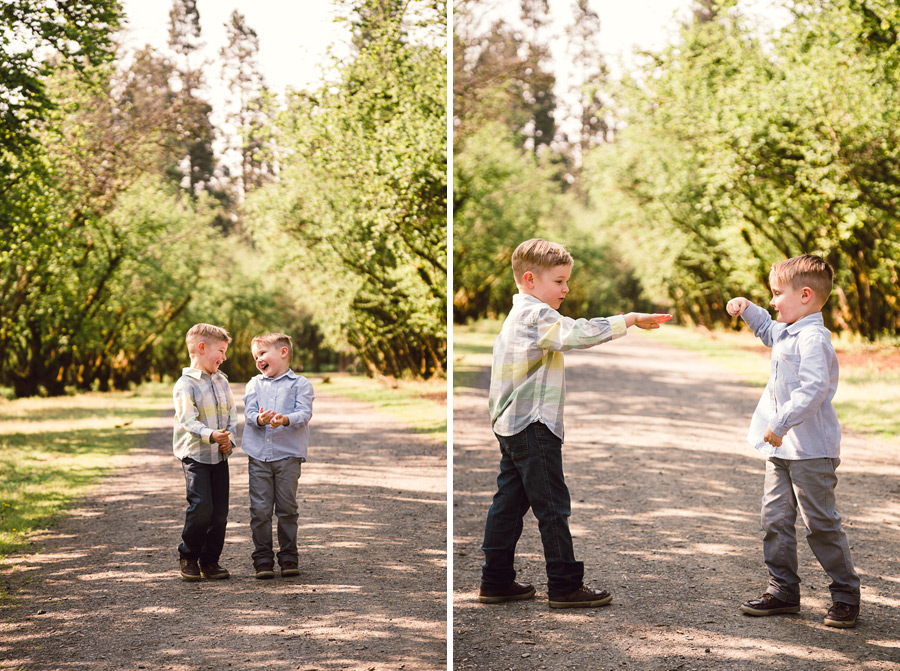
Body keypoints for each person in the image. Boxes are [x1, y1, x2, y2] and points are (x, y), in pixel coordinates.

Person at [479, 238, 672, 609]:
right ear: (530, 279)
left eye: (567, 281)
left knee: (507, 505)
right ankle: (565, 585)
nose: (566, 288)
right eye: (559, 281)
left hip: (511, 425)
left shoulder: (517, 314)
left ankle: (496, 580)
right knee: (552, 505)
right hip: (533, 425)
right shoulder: (536, 315)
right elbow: (576, 333)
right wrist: (628, 320)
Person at [726, 254, 861, 628]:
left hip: (810, 451)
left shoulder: (814, 338)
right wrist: (748, 308)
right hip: (780, 449)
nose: (772, 301)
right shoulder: (787, 329)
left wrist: (781, 422)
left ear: (804, 295)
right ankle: (783, 590)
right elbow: (768, 330)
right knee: (775, 519)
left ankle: (846, 594)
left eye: (775, 294)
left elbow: (814, 388)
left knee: (821, 524)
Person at [243, 333, 314, 579]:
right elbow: (249, 413)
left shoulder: (300, 384)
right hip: (259, 457)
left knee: (287, 508)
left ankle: (288, 557)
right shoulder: (254, 384)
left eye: (262, 354)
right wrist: (259, 419)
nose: (258, 360)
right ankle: (262, 559)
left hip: (288, 457)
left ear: (283, 352)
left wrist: (285, 419)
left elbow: (304, 413)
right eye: (255, 357)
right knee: (260, 509)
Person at [172, 323, 238, 582]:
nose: (224, 356)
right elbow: (187, 420)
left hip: (219, 456)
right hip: (195, 455)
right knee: (201, 507)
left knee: (220, 512)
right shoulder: (185, 385)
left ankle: (210, 561)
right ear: (201, 348)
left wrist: (228, 438)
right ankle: (189, 555)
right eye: (220, 350)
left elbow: (232, 414)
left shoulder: (222, 380)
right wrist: (211, 435)